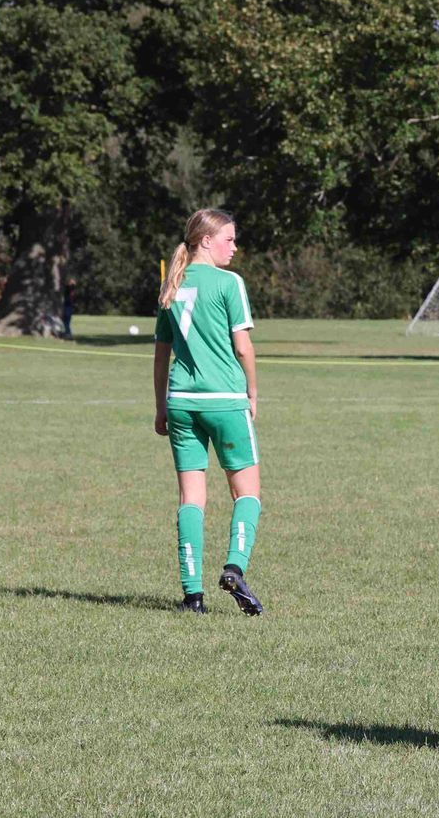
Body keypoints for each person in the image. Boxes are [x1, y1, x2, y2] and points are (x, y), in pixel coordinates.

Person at [151, 208, 264, 617]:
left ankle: (193, 597)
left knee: (191, 498)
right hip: (225, 400)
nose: (234, 247)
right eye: (229, 239)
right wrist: (252, 391)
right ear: (205, 241)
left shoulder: (172, 283)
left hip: (181, 402)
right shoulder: (230, 283)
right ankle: (234, 568)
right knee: (247, 493)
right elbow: (243, 348)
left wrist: (160, 405)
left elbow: (161, 354)